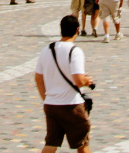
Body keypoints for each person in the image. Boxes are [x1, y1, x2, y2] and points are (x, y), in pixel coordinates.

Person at [34, 15, 91, 153]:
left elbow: (38, 78)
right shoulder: (74, 51)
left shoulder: (47, 50)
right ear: (77, 30)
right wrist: (87, 81)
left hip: (51, 105)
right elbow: (78, 80)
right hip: (72, 106)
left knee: (51, 143)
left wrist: (47, 98)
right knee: (82, 144)